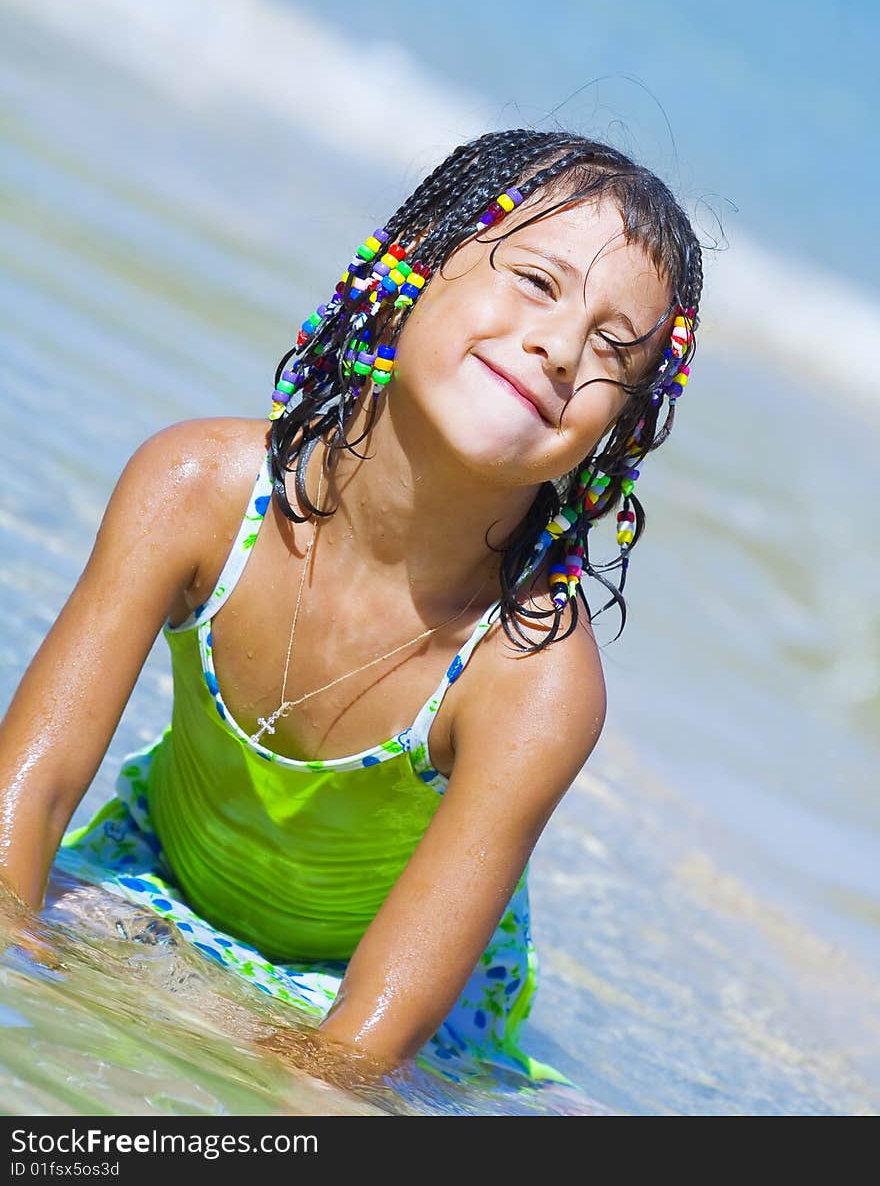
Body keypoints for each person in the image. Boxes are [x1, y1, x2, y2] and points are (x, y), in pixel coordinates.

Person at [0, 129, 702, 1097]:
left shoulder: (531, 675)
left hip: (373, 1008)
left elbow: (359, 1047)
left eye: (611, 352)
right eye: (536, 282)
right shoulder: (196, 490)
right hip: (150, 879)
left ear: (611, 434)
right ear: (412, 258)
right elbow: (19, 812)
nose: (557, 348)